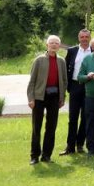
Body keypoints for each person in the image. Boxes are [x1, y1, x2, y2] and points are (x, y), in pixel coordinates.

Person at [27, 35, 67, 165]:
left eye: (56, 43)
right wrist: (31, 98)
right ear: (47, 45)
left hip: (54, 97)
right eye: (51, 43)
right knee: (36, 127)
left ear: (59, 46)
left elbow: (64, 81)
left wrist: (62, 98)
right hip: (39, 97)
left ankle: (46, 155)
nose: (54, 45)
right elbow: (32, 81)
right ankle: (34, 156)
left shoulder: (61, 61)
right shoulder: (39, 60)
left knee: (51, 127)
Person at [60, 29, 91, 156]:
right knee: (72, 117)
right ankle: (70, 146)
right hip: (74, 86)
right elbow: (66, 68)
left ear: (90, 38)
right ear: (79, 38)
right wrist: (67, 86)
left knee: (85, 117)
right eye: (82, 37)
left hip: (89, 86)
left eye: (86, 37)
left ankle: (80, 144)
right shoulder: (72, 51)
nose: (84, 39)